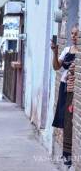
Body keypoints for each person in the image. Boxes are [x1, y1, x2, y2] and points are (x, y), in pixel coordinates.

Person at [51, 25, 79, 166]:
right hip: (65, 87)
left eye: (76, 34)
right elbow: (56, 67)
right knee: (66, 120)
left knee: (72, 120)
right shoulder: (67, 50)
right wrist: (55, 52)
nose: (74, 36)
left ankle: (71, 154)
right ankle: (67, 155)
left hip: (74, 90)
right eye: (72, 34)